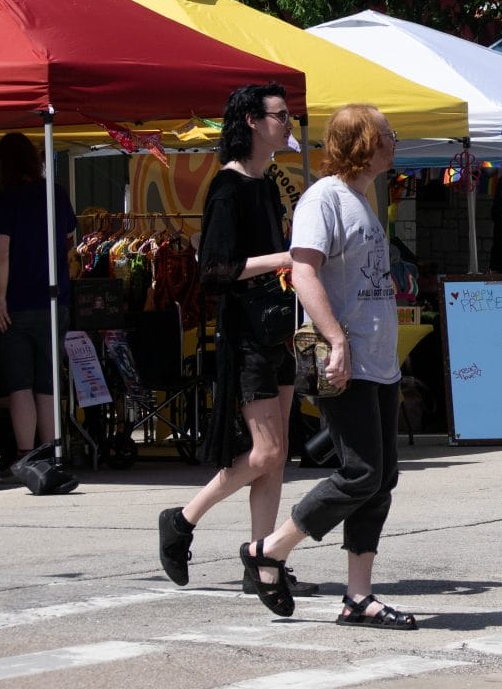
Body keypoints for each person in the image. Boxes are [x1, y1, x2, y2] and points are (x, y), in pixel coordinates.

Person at [243, 105, 411, 627]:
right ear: (365, 142)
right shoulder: (324, 199)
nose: (394, 140)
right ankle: (269, 549)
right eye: (387, 133)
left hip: (378, 361)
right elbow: (303, 273)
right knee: (360, 473)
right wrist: (337, 340)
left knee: (381, 479)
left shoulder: (364, 198)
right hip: (345, 361)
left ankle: (358, 596)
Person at [158, 85, 316, 597]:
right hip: (246, 334)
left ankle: (263, 562)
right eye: (280, 115)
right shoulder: (227, 189)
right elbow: (215, 270)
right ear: (251, 121)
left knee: (278, 453)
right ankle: (182, 518)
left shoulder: (266, 184)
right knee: (266, 452)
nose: (287, 124)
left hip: (276, 330)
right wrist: (284, 258)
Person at [0, 133, 76, 467]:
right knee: (48, 383)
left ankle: (26, 457)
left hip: (16, 304)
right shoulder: (56, 194)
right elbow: (70, 239)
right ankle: (52, 455)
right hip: (54, 300)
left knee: (20, 384)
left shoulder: (2, 202)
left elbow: (0, 254)